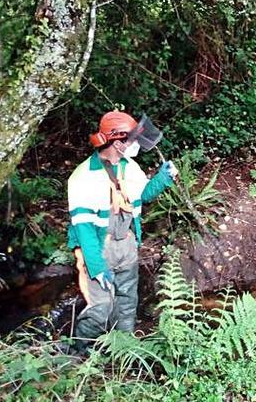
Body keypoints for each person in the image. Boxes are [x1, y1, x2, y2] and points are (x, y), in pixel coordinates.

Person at [66, 111, 177, 349]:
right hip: (98, 248)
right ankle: (76, 350)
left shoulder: (131, 168)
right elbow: (84, 229)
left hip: (126, 244)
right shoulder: (82, 177)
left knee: (127, 301)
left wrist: (162, 178)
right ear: (117, 143)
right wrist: (96, 267)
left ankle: (124, 350)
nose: (137, 144)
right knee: (101, 308)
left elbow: (142, 195)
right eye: (132, 140)